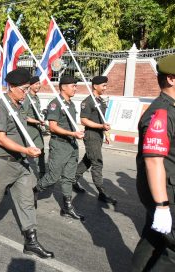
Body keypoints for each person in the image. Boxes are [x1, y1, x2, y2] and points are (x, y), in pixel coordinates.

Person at [0, 68, 54, 259]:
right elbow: (0, 139)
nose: (26, 92)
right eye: (24, 89)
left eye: (27, 89)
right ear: (12, 87)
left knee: (26, 201)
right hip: (3, 163)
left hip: (21, 164)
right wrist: (26, 150)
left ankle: (31, 241)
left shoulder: (19, 105)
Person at [131, 54, 175, 271]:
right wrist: (163, 206)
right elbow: (154, 162)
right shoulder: (161, 113)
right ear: (171, 79)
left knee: (153, 240)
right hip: (166, 191)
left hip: (167, 186)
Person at [36, 75, 85, 220]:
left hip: (71, 144)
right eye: (73, 85)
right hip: (59, 145)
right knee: (52, 177)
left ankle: (67, 207)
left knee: (68, 177)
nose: (75, 88)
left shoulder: (70, 104)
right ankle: (34, 191)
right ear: (63, 87)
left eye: (76, 85)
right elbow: (53, 127)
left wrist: (75, 134)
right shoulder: (55, 104)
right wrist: (72, 133)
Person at [73, 76, 117, 205]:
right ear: (95, 86)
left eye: (105, 85)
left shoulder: (100, 101)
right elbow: (84, 120)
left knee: (88, 160)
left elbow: (102, 120)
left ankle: (72, 180)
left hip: (99, 135)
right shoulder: (88, 101)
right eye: (103, 85)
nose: (105, 88)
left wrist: (107, 134)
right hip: (91, 135)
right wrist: (101, 127)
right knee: (97, 163)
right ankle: (102, 193)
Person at [23, 76, 46, 180]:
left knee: (41, 150)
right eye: (36, 84)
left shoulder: (36, 97)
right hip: (29, 129)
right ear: (30, 85)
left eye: (39, 83)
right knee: (27, 153)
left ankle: (42, 173)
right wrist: (37, 121)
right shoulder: (27, 98)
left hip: (37, 129)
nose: (38, 85)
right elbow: (24, 116)